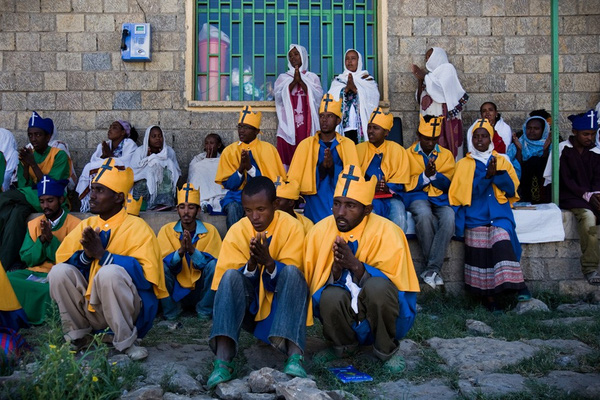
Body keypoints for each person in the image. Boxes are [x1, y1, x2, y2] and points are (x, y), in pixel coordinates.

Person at [49, 158, 168, 360]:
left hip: (126, 311)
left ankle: (126, 342)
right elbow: (63, 259)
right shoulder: (87, 224)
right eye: (92, 189)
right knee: (58, 272)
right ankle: (78, 337)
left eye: (99, 191)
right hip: (90, 308)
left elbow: (146, 279)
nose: (92, 196)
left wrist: (103, 256)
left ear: (119, 198)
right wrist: (86, 256)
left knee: (109, 272)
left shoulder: (138, 227)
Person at [304, 164, 419, 371]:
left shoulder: (389, 232)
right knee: (329, 295)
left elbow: (398, 292)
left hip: (380, 314)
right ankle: (343, 345)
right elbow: (314, 286)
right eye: (337, 204)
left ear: (367, 210)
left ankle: (385, 350)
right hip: (345, 312)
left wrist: (356, 266)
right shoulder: (319, 232)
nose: (340, 212)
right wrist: (336, 272)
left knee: (377, 287)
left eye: (350, 206)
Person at [207, 176, 308, 388]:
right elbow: (228, 285)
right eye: (248, 210)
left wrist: (269, 263)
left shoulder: (292, 227)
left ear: (275, 205)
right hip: (249, 308)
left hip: (281, 308)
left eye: (261, 209)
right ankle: (222, 361)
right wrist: (252, 264)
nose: (255, 217)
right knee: (230, 276)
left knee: (291, 272)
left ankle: (295, 356)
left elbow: (294, 279)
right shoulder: (238, 230)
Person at [449, 119, 530, 311]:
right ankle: (489, 298)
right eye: (476, 137)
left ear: (490, 138)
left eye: (484, 136)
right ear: (471, 139)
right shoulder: (463, 165)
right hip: (475, 215)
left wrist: (497, 174)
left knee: (500, 237)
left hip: (499, 214)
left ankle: (517, 287)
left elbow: (511, 191)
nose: (479, 140)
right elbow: (466, 195)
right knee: (480, 245)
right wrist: (487, 177)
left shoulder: (502, 160)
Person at [0, 112, 70, 269]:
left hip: (50, 200)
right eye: (30, 135)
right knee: (16, 215)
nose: (33, 139)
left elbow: (49, 187)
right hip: (28, 197)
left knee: (4, 198)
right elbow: (23, 184)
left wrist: (32, 164)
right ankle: (5, 264)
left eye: (38, 135)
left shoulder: (59, 155)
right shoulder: (28, 155)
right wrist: (25, 167)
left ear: (48, 137)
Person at [6, 177, 80, 325]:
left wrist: (51, 240)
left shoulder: (76, 225)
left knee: (49, 291)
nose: (45, 206)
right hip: (32, 271)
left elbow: (72, 260)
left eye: (50, 200)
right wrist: (41, 241)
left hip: (56, 275)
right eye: (41, 201)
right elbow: (26, 258)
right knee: (5, 279)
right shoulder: (34, 224)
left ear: (61, 199)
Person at [287, 94, 360, 223]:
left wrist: (332, 168)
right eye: (322, 116)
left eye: (330, 116)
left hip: (339, 198)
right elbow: (295, 178)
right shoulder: (306, 144)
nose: (324, 120)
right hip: (314, 198)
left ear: (338, 121)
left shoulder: (348, 144)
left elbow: (354, 177)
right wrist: (322, 168)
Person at [405, 114, 456, 289]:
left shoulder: (446, 155)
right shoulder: (408, 154)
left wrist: (435, 175)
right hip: (417, 196)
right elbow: (405, 183)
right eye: (426, 138)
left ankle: (430, 269)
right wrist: (424, 177)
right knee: (424, 215)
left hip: (440, 198)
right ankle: (434, 269)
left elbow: (450, 183)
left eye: (434, 139)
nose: (430, 143)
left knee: (449, 217)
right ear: (419, 136)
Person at [157, 183, 222, 320]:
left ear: (198, 210)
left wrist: (192, 251)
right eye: (182, 207)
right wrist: (180, 252)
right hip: (176, 289)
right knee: (159, 267)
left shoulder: (210, 231)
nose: (186, 212)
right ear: (177, 210)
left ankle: (204, 309)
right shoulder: (166, 230)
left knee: (215, 266)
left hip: (200, 290)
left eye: (191, 207)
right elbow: (164, 262)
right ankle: (172, 310)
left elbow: (214, 263)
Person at [215, 106, 286, 229]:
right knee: (233, 208)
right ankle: (235, 244)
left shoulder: (268, 149)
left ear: (257, 131)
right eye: (240, 127)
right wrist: (241, 169)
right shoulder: (229, 151)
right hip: (236, 197)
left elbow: (271, 183)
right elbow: (229, 185)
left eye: (246, 127)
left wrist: (250, 168)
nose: (241, 131)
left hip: (262, 197)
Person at [554, 110, 600, 285]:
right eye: (585, 134)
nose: (589, 138)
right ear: (575, 132)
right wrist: (586, 195)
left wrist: (596, 194)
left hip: (591, 196)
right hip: (571, 196)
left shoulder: (595, 152)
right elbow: (565, 179)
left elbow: (597, 177)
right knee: (588, 217)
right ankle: (590, 267)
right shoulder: (564, 149)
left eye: (593, 134)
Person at [356, 107, 410, 231]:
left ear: (386, 133)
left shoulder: (398, 150)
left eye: (375, 128)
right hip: (367, 198)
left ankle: (396, 250)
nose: (370, 131)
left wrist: (388, 187)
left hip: (391, 198)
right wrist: (369, 187)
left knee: (400, 218)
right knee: (370, 222)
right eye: (369, 127)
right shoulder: (358, 150)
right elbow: (353, 178)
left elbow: (401, 179)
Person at [412, 47, 469, 157]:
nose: (427, 59)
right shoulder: (430, 77)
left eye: (430, 56)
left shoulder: (447, 69)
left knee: (446, 147)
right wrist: (420, 80)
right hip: (428, 119)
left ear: (438, 56)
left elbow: (440, 90)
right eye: (426, 57)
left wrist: (424, 77)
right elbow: (420, 99)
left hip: (444, 119)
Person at [274, 44, 323, 168]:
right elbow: (278, 98)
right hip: (288, 125)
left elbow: (318, 97)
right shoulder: (283, 78)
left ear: (303, 56)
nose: (293, 58)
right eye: (290, 56)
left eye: (296, 54)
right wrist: (294, 82)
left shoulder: (312, 77)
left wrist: (301, 81)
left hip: (307, 123)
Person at [77, 120, 138, 212]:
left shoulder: (129, 144)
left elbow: (127, 163)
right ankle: (91, 203)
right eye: (110, 127)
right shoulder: (105, 145)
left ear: (123, 132)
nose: (110, 130)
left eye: (114, 127)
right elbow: (94, 161)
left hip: (121, 177)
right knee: (88, 167)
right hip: (105, 176)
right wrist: (105, 158)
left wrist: (108, 156)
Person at [328, 49, 380, 144]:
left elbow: (374, 97)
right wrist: (345, 90)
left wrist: (356, 90)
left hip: (360, 126)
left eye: (353, 58)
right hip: (344, 127)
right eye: (347, 59)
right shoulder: (339, 80)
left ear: (358, 61)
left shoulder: (366, 79)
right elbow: (331, 99)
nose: (350, 61)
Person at [131, 125, 181, 211]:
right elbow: (133, 172)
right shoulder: (140, 151)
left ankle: (164, 202)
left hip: (163, 186)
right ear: (148, 138)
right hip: (143, 184)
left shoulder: (169, 152)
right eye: (153, 136)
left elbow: (176, 172)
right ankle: (149, 204)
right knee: (154, 165)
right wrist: (149, 162)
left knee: (167, 163)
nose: (157, 138)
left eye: (160, 136)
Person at [507, 116, 552, 204]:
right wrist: (519, 150)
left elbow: (549, 168)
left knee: (535, 161)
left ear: (543, 130)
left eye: (536, 128)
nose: (532, 131)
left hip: (543, 190)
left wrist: (545, 151)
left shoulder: (550, 146)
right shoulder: (519, 143)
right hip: (523, 188)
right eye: (529, 128)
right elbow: (514, 168)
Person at [188, 133, 228, 214]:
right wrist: (206, 160)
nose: (209, 146)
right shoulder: (198, 159)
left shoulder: (223, 159)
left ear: (219, 145)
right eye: (206, 143)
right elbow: (193, 173)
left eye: (212, 143)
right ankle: (203, 200)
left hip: (218, 193)